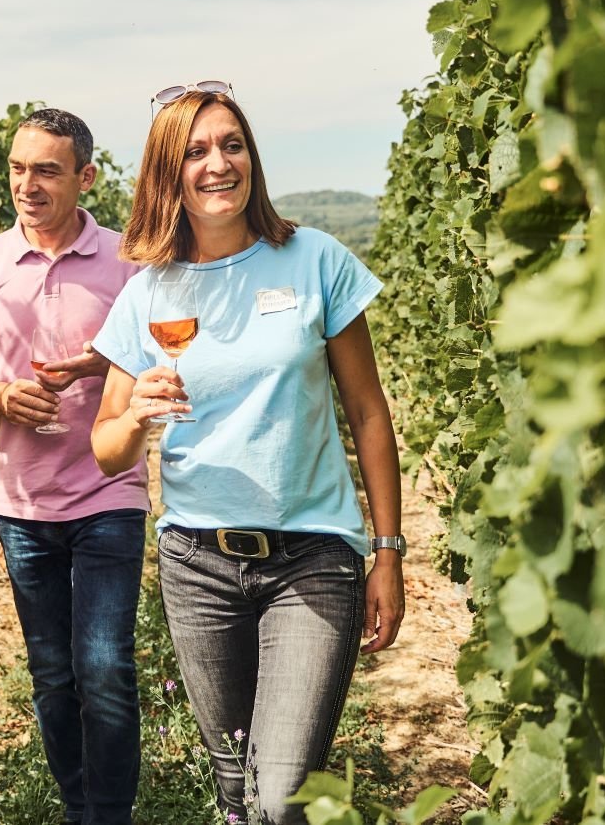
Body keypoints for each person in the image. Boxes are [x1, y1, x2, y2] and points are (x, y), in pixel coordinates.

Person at [89, 84, 406, 825]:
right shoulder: (148, 294)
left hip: (312, 558)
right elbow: (106, 450)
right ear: (168, 173)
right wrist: (135, 416)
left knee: (282, 793)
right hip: (197, 564)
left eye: (232, 145)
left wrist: (388, 551)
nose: (218, 163)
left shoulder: (314, 259)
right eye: (196, 151)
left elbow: (368, 412)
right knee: (236, 783)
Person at [0, 108, 148, 825]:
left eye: (47, 171)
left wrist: (103, 364)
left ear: (85, 177)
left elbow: (163, 359)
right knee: (53, 673)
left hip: (110, 489)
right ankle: (78, 808)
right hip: (22, 504)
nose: (27, 185)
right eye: (17, 168)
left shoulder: (128, 260)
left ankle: (109, 816)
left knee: (105, 666)